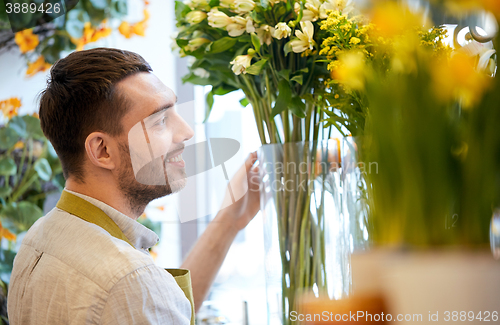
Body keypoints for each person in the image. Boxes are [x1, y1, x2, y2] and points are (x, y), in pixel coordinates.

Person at [7, 48, 261, 324]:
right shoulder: (129, 280)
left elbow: (162, 303)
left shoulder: (39, 238)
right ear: (102, 150)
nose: (187, 131)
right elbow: (140, 291)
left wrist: (230, 219)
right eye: (161, 120)